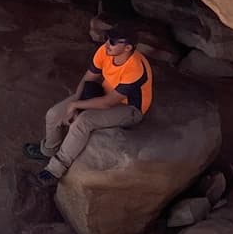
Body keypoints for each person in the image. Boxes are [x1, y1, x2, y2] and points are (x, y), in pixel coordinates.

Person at [25, 26, 154, 183]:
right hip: (106, 94)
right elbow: (88, 79)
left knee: (83, 121)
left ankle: (56, 168)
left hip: (130, 108)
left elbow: (108, 102)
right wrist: (75, 104)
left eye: (112, 42)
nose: (107, 44)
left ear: (127, 48)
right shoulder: (105, 51)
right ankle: (48, 150)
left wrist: (76, 107)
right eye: (107, 38)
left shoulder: (135, 68)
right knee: (54, 114)